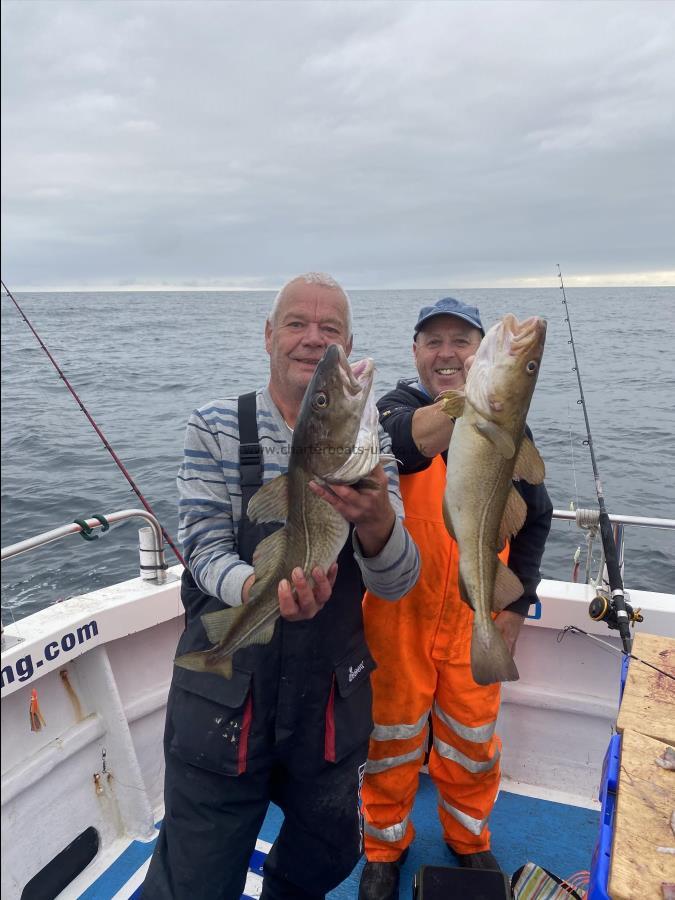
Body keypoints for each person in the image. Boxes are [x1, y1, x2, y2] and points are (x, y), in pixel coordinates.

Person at [143, 272, 420, 900]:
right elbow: (204, 548)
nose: (314, 342)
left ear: (347, 348)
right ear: (269, 334)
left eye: (332, 332)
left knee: (329, 853)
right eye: (297, 323)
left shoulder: (369, 443)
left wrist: (377, 516)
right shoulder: (214, 425)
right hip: (228, 690)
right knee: (195, 876)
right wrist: (256, 592)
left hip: (327, 696)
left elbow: (399, 582)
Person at [358, 296, 553, 900]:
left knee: (473, 741)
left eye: (461, 342)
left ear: (478, 353)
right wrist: (478, 406)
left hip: (475, 610)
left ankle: (470, 839)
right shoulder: (393, 409)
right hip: (397, 615)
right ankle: (384, 846)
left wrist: (515, 609)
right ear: (415, 352)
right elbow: (403, 444)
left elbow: (536, 517)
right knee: (390, 738)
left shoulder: (508, 432)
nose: (447, 353)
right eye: (433, 341)